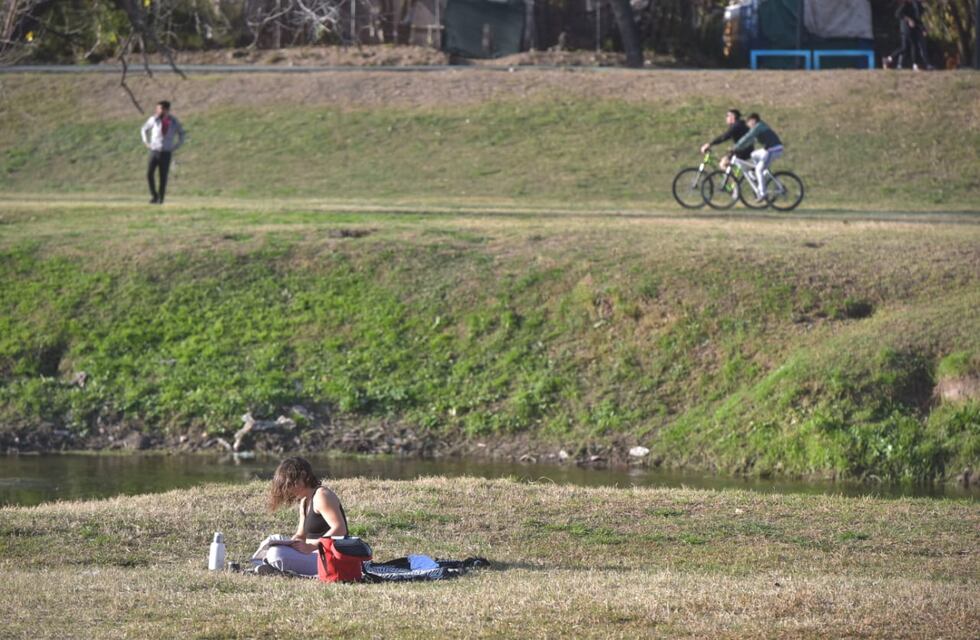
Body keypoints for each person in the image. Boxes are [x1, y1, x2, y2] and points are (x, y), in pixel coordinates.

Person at [264, 457, 349, 577]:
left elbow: (340, 529)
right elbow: (301, 534)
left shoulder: (322, 496)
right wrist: (293, 542)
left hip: (329, 557)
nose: (288, 490)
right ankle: (273, 566)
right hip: (312, 553)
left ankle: (274, 567)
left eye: (290, 484)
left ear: (303, 476)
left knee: (276, 553)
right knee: (273, 547)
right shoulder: (304, 501)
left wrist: (312, 546)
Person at [140, 100, 186, 204]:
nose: (157, 110)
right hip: (154, 151)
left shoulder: (173, 122)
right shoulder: (153, 119)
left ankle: (161, 199)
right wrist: (146, 141)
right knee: (149, 174)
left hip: (166, 153)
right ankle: (154, 195)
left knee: (163, 176)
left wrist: (176, 146)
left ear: (166, 110)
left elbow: (182, 134)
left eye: (159, 108)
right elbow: (144, 129)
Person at [731, 113, 783, 202]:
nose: (748, 125)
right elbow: (750, 141)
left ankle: (762, 194)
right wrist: (739, 148)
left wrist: (735, 147)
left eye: (749, 123)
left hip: (774, 149)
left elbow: (748, 137)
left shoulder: (758, 127)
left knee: (759, 169)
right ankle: (762, 174)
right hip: (769, 149)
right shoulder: (759, 127)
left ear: (753, 121)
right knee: (753, 154)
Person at [883, 1, 930, 70]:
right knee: (913, 45)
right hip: (906, 29)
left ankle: (888, 59)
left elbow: (916, 20)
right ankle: (914, 64)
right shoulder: (905, 5)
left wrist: (923, 28)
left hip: (911, 30)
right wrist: (908, 19)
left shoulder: (915, 6)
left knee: (904, 47)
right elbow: (897, 14)